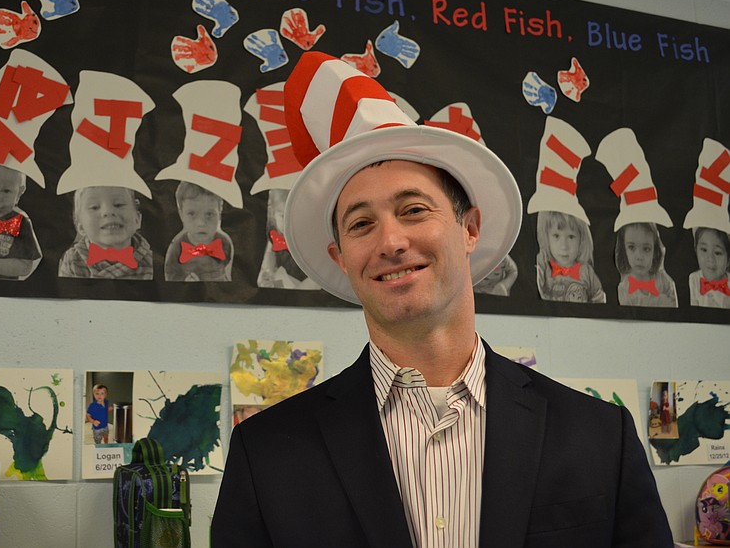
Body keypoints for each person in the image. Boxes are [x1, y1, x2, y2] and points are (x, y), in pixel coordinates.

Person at [212, 52, 672, 547]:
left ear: (470, 228)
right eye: (361, 224)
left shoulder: (599, 436)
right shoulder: (266, 454)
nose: (390, 241)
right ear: (341, 257)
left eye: (413, 209)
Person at [58, 186, 153, 279]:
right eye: (94, 207)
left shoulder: (152, 261)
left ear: (137, 219)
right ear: (81, 227)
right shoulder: (72, 260)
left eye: (118, 204)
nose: (108, 211)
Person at [164, 181, 233, 281]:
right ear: (181, 214)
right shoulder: (177, 246)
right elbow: (170, 273)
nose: (201, 223)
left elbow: (228, 265)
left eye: (209, 214)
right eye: (192, 214)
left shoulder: (224, 241)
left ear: (220, 212)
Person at [535, 210, 606, 303]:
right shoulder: (545, 269)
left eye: (571, 237)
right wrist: (540, 267)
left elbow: (599, 297)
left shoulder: (586, 271)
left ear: (582, 240)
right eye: (556, 236)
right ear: (547, 238)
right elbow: (538, 293)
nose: (564, 246)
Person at [615, 222, 678, 307]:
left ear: (655, 252)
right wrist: (660, 301)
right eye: (631, 247)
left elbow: (674, 307)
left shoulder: (664, 280)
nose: (639, 257)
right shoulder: (623, 289)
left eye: (646, 249)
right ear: (624, 250)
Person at [688, 227, 730, 309]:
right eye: (704, 250)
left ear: (728, 260)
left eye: (717, 253)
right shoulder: (694, 280)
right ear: (696, 251)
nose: (710, 259)